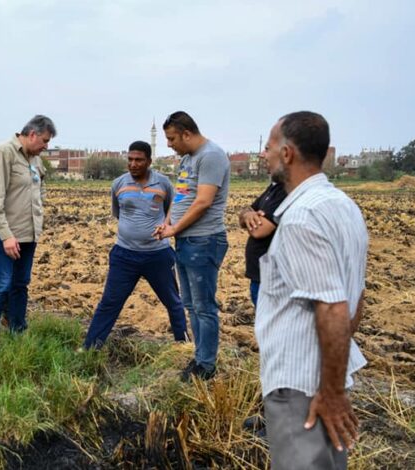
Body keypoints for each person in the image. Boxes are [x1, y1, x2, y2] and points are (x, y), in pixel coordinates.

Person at [255, 111, 367, 469]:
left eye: (269, 147)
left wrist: (330, 393)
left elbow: (333, 307)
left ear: (287, 154)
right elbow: (356, 299)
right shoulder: (343, 207)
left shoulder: (301, 218)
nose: (264, 155)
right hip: (323, 379)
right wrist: (334, 384)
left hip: (301, 387)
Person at [82, 141, 187, 349]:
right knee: (109, 303)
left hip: (158, 255)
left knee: (173, 302)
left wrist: (163, 227)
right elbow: (118, 214)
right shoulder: (118, 184)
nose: (133, 164)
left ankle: (183, 348)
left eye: (139, 160)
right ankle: (89, 349)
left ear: (149, 161)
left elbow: (171, 211)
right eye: (130, 159)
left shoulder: (163, 183)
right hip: (124, 255)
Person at [155, 111, 230, 382]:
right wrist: (167, 223)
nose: (169, 144)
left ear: (187, 133)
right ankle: (200, 357)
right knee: (190, 304)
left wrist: (174, 228)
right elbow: (183, 197)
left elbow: (203, 202)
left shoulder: (211, 156)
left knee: (203, 306)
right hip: (186, 239)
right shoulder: (188, 158)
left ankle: (206, 365)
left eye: (172, 138)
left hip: (204, 240)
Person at [0, 115, 55, 351]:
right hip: (7, 238)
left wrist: (39, 220)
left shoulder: (35, 160)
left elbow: (39, 191)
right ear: (32, 134)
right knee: (1, 286)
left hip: (29, 235)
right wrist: (6, 236)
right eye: (44, 140)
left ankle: (17, 332)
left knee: (21, 285)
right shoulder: (3, 153)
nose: (46, 146)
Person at [238, 168, 287, 308]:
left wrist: (248, 216)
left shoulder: (284, 191)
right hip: (260, 276)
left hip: (270, 280)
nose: (262, 155)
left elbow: (259, 230)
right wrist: (247, 215)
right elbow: (245, 213)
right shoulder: (273, 188)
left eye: (267, 150)